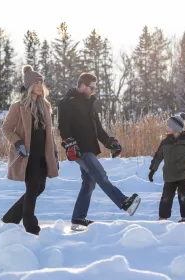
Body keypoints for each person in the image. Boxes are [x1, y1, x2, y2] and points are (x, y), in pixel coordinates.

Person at [58, 72, 141, 231]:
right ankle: (125, 203)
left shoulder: (89, 104)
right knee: (100, 175)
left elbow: (98, 129)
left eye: (95, 88)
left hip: (89, 147)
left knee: (89, 183)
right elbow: (63, 127)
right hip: (79, 149)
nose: (93, 91)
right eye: (91, 88)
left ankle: (78, 218)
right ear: (82, 85)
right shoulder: (67, 103)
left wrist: (110, 143)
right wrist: (69, 144)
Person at [1, 65, 59, 235]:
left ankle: (10, 218)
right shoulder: (18, 107)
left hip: (43, 155)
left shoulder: (46, 106)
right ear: (29, 86)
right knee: (33, 188)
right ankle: (30, 225)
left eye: (41, 83)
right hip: (28, 156)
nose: (40, 87)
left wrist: (54, 154)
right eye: (36, 83)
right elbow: (6, 128)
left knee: (40, 188)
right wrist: (18, 143)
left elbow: (49, 133)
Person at [148, 113, 185, 223]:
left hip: (184, 174)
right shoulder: (165, 142)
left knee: (183, 196)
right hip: (170, 175)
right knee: (166, 197)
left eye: (169, 126)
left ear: (176, 127)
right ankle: (163, 218)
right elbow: (158, 156)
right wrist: (152, 170)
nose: (167, 128)